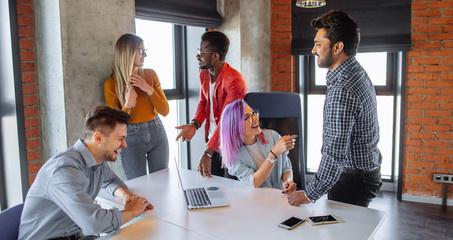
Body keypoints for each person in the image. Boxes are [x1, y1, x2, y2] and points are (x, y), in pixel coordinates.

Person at [286, 10, 382, 208]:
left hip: (352, 181)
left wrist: (308, 195)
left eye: (319, 44)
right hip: (365, 174)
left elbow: (334, 153)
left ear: (338, 47)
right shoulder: (356, 71)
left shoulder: (342, 89)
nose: (313, 50)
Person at [19, 106, 153, 240]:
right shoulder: (64, 170)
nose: (125, 145)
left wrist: (127, 196)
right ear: (98, 138)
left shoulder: (97, 161)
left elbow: (110, 181)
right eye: (120, 139)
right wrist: (132, 211)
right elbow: (95, 223)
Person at [175, 31, 247, 178]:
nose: (198, 56)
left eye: (202, 52)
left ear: (215, 56)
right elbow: (203, 102)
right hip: (214, 143)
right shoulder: (204, 73)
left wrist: (208, 151)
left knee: (233, 190)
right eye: (198, 51)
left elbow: (227, 121)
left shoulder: (234, 80)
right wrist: (194, 124)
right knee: (213, 186)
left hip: (233, 145)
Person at [104, 33, 169, 180]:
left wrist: (148, 89)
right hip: (131, 138)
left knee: (162, 183)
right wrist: (127, 105)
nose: (145, 54)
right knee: (138, 187)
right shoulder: (111, 84)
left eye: (145, 50)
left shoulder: (151, 75)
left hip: (156, 131)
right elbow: (114, 125)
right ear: (127, 52)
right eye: (140, 50)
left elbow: (165, 111)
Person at [219, 100, 297, 190]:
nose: (255, 118)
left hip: (278, 196)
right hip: (255, 200)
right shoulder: (233, 157)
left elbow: (286, 168)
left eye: (253, 113)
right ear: (235, 126)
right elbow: (255, 181)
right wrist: (274, 154)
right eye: (248, 117)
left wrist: (287, 181)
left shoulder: (273, 136)